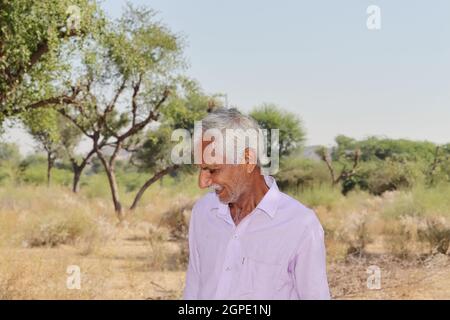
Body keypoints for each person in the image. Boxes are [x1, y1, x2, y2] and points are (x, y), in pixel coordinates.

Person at [183, 108, 330, 300]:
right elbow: (194, 289)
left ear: (247, 159)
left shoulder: (300, 224)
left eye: (213, 169)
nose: (202, 183)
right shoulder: (203, 212)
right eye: (200, 169)